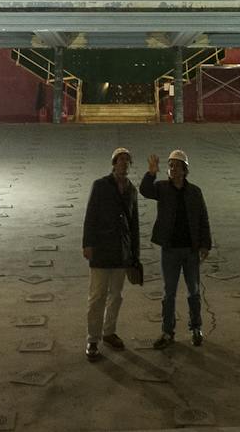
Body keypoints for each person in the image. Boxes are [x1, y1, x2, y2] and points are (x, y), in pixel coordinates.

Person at [140, 149, 212, 348]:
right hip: (170, 250)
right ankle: (167, 331)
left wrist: (205, 244)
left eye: (176, 166)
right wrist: (151, 172)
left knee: (194, 291)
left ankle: (196, 328)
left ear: (184, 170)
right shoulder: (162, 188)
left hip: (190, 250)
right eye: (170, 165)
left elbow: (203, 218)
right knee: (169, 293)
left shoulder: (195, 192)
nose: (172, 169)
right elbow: (145, 190)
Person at [81, 146, 139, 362]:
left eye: (127, 160)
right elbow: (90, 215)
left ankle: (109, 331)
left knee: (116, 295)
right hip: (101, 248)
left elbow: (134, 225)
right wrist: (87, 243)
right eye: (120, 160)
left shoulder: (132, 190)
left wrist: (134, 254)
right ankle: (92, 339)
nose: (124, 164)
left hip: (121, 252)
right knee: (97, 296)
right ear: (113, 164)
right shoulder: (100, 186)